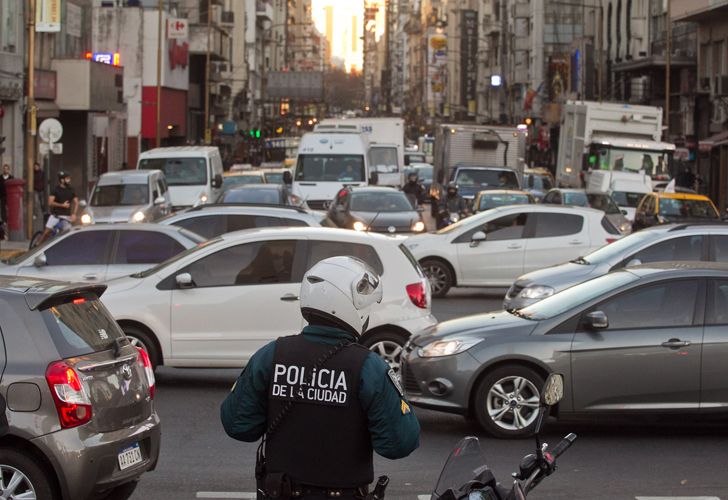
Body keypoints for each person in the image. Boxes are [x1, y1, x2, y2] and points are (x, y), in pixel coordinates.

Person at [221, 257, 420, 500]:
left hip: (280, 491)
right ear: (351, 308)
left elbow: (238, 426)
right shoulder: (369, 367)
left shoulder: (271, 355)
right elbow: (400, 443)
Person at [37, 171, 78, 245]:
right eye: (67, 179)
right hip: (56, 215)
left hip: (66, 217)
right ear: (62, 180)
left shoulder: (71, 190)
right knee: (46, 232)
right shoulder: (55, 190)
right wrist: (62, 205)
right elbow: (50, 202)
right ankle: (37, 246)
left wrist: (74, 214)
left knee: (68, 235)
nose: (69, 180)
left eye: (69, 178)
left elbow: (76, 202)